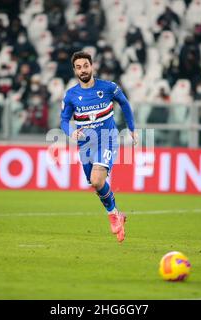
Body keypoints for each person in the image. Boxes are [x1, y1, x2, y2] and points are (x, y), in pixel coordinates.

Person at [60, 51, 137, 243]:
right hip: (86, 144)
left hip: (107, 138)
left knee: (96, 179)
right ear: (74, 71)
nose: (82, 70)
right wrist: (71, 132)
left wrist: (132, 128)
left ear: (91, 66)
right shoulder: (71, 95)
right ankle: (116, 213)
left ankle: (112, 216)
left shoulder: (109, 87)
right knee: (97, 184)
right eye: (78, 67)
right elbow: (63, 120)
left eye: (85, 65)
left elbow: (125, 104)